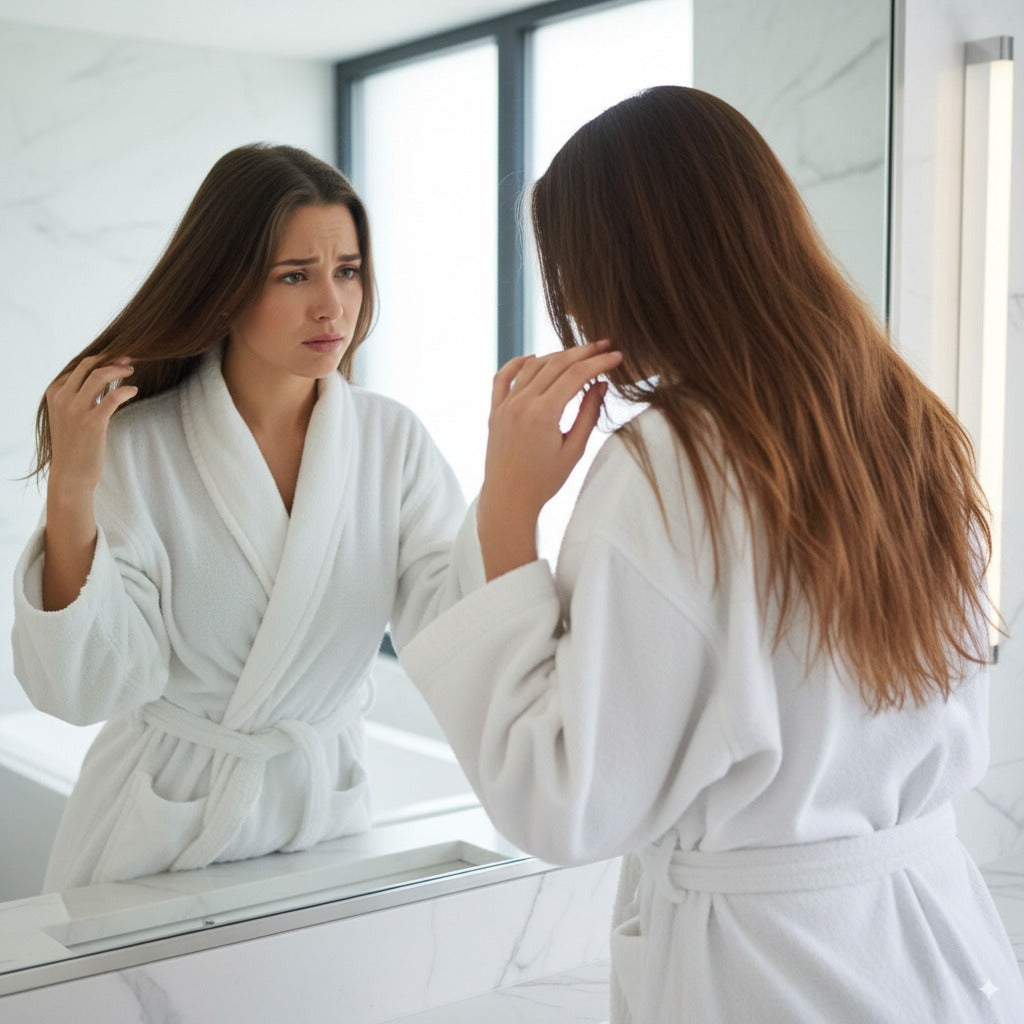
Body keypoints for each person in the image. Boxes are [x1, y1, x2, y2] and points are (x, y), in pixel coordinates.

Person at [398, 87, 1024, 1023]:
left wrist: (510, 515)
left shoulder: (669, 464)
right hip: (934, 931)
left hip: (770, 969)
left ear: (619, 270)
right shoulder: (905, 425)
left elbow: (569, 799)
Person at [11, 142, 578, 891]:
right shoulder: (140, 446)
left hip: (322, 823)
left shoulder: (389, 440)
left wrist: (512, 490)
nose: (332, 305)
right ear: (224, 288)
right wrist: (73, 487)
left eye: (347, 271)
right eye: (294, 276)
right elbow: (85, 688)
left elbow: (454, 631)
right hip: (155, 832)